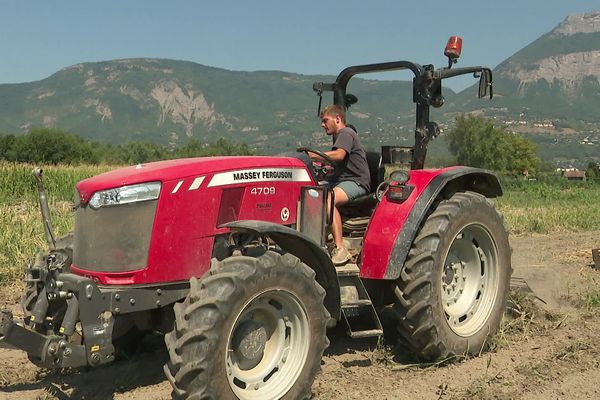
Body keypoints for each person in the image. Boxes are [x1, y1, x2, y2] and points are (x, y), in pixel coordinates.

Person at [308, 104, 370, 265]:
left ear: (337, 119)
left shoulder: (346, 133)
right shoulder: (338, 136)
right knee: (310, 192)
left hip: (357, 181)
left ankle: (340, 247)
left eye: (325, 120)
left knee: (328, 198)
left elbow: (339, 155)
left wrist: (312, 156)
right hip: (342, 180)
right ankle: (318, 235)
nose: (322, 124)